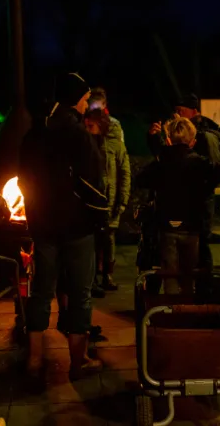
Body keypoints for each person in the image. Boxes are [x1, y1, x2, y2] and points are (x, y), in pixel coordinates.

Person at [19, 72, 108, 381]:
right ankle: (79, 360)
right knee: (80, 293)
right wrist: (102, 218)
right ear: (74, 100)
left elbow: (23, 181)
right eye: (84, 99)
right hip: (77, 227)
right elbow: (93, 184)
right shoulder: (78, 134)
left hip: (43, 225)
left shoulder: (34, 134)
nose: (87, 104)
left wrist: (35, 216)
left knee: (41, 292)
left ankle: (33, 361)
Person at [137, 117, 220, 294]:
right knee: (189, 276)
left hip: (166, 225)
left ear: (169, 140)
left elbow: (141, 179)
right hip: (192, 226)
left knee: (169, 273)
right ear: (193, 142)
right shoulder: (200, 163)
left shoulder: (161, 163)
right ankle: (187, 310)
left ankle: (171, 308)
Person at [148, 94, 220, 283]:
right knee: (179, 260)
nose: (176, 115)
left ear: (194, 112)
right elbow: (164, 163)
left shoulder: (204, 136)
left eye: (181, 111)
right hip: (179, 210)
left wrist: (202, 191)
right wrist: (157, 141)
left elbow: (212, 170)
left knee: (200, 253)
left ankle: (202, 295)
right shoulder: (180, 135)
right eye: (176, 111)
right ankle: (182, 301)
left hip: (198, 209)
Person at [87, 88, 131, 292]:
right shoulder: (85, 131)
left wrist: (122, 199)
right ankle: (93, 276)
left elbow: (123, 167)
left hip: (110, 197)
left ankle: (107, 275)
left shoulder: (114, 130)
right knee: (93, 238)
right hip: (92, 196)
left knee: (109, 237)